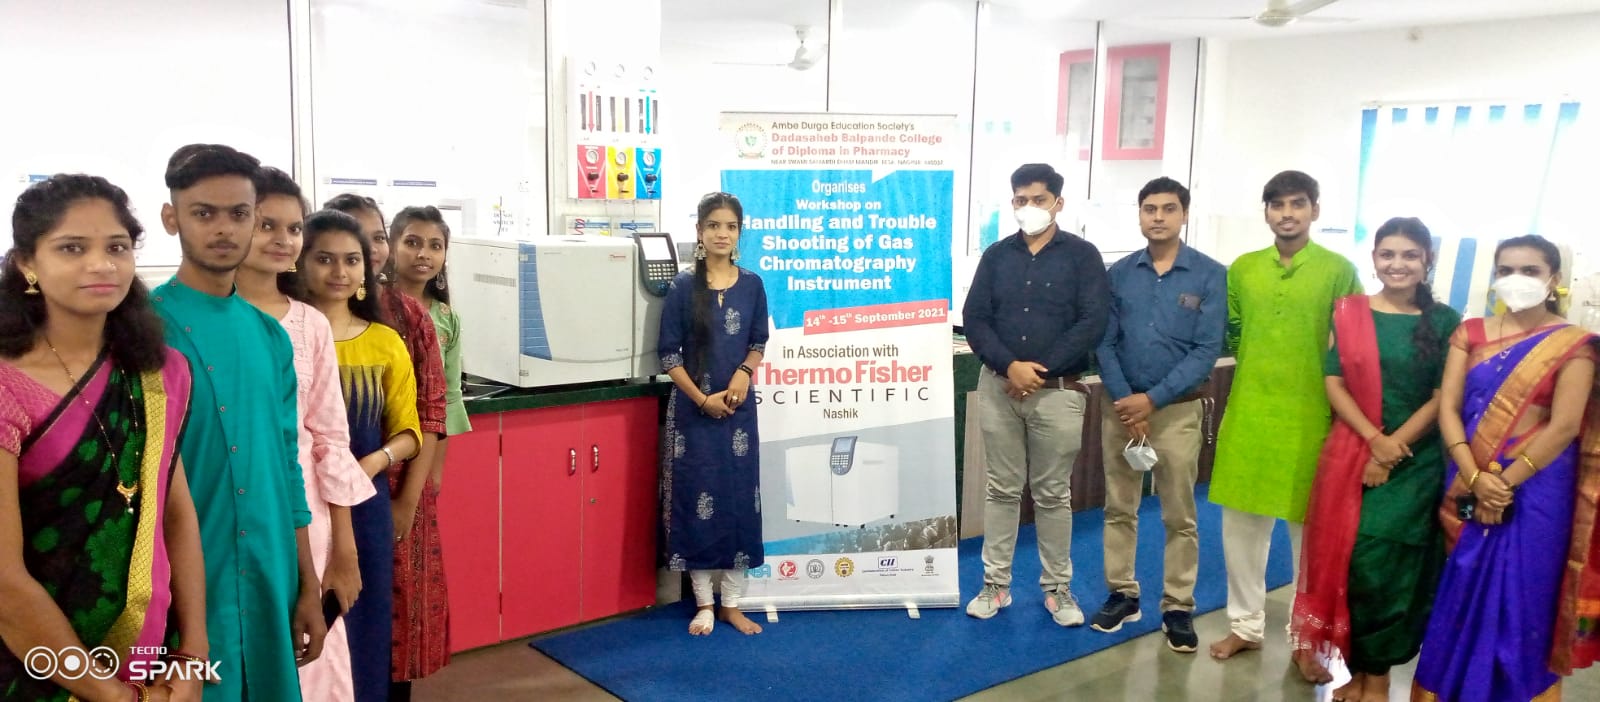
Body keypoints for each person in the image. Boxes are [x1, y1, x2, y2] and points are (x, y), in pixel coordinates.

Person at [0, 174, 206, 702]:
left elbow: (175, 515)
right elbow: (3, 581)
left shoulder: (160, 374)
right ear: (27, 264)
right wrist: (109, 695)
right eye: (72, 248)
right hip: (28, 669)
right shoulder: (6, 386)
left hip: (150, 662)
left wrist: (193, 657)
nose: (102, 264)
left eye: (117, 247)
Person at [151, 144, 327, 701]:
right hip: (181, 580)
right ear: (172, 218)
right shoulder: (141, 330)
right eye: (204, 213)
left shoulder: (270, 336)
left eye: (239, 213)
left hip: (272, 570)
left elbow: (287, 467)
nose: (224, 228)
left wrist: (307, 581)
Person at [1412, 235, 1600, 702]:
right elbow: (1449, 408)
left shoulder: (1574, 345)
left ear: (1554, 279)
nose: (1517, 279)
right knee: (1462, 586)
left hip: (1539, 488)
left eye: (1530, 271)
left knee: (1523, 597)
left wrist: (1502, 484)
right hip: (1469, 473)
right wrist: (1476, 479)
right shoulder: (1470, 333)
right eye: (1506, 270)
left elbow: (1564, 426)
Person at [1289, 217, 1461, 700]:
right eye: (1388, 254)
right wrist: (1372, 440)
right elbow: (1334, 382)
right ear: (1374, 259)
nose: (1397, 264)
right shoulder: (1349, 312)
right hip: (1352, 453)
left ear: (1427, 260)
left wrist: (1390, 450)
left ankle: (1379, 677)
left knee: (1387, 566)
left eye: (1409, 255)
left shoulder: (1445, 321)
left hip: (1416, 462)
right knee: (1352, 565)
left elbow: (1442, 397)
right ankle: (1359, 671)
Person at [1209, 170, 1363, 661]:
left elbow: (1353, 347)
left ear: (1315, 210)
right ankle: (1245, 626)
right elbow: (1232, 332)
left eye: (1298, 203)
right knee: (1241, 532)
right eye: (1277, 205)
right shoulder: (1243, 269)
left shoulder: (1338, 270)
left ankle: (1307, 640)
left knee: (1311, 540)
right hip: (1250, 416)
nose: (1287, 213)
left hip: (1310, 420)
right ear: (1267, 212)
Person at [235, 168, 374, 702]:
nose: (281, 239)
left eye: (293, 228)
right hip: (224, 513)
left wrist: (344, 548)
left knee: (312, 659)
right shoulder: (193, 319)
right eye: (265, 224)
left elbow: (330, 442)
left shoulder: (309, 323)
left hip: (308, 520)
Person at [961, 163, 1109, 625]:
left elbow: (1092, 321)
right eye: (1020, 200)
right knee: (1001, 489)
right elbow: (975, 317)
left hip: (1058, 392)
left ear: (1058, 203)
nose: (1029, 207)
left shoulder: (1082, 256)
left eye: (1038, 199)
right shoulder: (996, 255)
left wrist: (1037, 371)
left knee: (1052, 494)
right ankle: (995, 585)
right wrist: (1010, 367)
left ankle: (1057, 588)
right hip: (999, 386)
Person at [1091, 177, 1225, 653]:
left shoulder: (1209, 274)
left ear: (1184, 214)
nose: (1159, 217)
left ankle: (1178, 605)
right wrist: (1128, 401)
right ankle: (1123, 594)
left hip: (1176, 412)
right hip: (1121, 410)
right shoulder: (1119, 273)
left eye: (1169, 208)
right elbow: (1104, 341)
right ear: (1140, 214)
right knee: (1118, 507)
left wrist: (1153, 400)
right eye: (1150, 209)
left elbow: (1206, 349)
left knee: (1179, 514)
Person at [293, 209, 421, 702]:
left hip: (364, 508)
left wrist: (370, 463)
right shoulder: (281, 335)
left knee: (364, 628)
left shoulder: (384, 342)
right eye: (324, 258)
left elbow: (410, 431)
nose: (339, 271)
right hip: (299, 504)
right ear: (301, 263)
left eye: (351, 260)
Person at [658, 192, 769, 637]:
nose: (723, 234)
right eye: (714, 226)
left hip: (738, 413)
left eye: (731, 226)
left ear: (739, 232)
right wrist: (702, 400)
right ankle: (704, 603)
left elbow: (758, 342)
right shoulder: (683, 287)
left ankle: (732, 604)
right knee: (696, 504)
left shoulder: (753, 285)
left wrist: (743, 374)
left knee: (740, 502)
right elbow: (668, 355)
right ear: (700, 232)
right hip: (693, 417)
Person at [384, 206, 463, 695]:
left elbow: (446, 399)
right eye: (412, 241)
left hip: (419, 459)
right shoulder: (368, 306)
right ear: (391, 245)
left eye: (435, 245)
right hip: (377, 448)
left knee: (410, 584)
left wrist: (433, 473)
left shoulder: (445, 318)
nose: (424, 254)